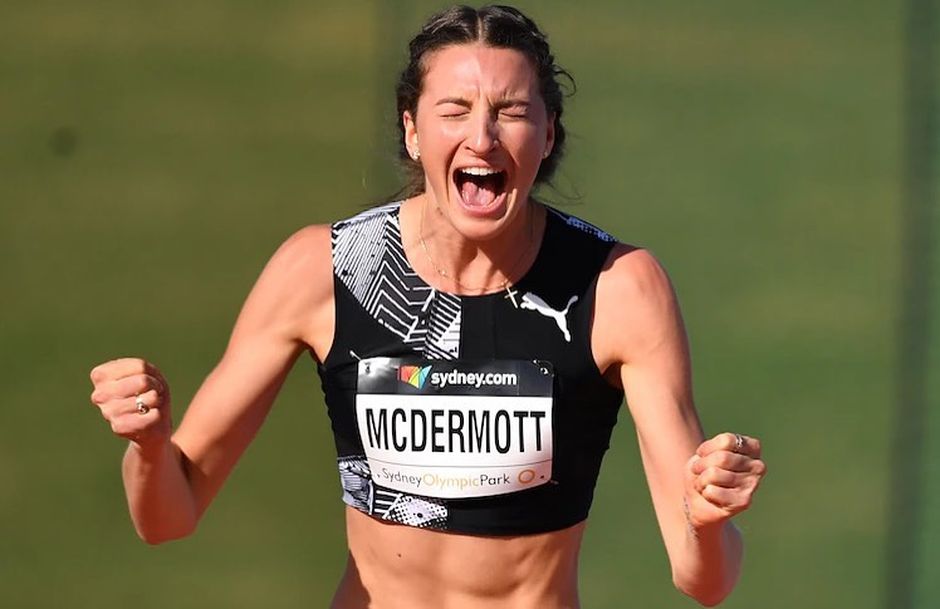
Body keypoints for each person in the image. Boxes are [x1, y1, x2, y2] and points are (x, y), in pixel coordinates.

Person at [88, 5, 766, 608]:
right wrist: (148, 446)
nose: (482, 138)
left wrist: (704, 518)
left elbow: (704, 579)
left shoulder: (617, 286)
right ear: (412, 130)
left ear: (549, 133)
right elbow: (165, 517)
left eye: (511, 111)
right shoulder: (326, 271)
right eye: (455, 110)